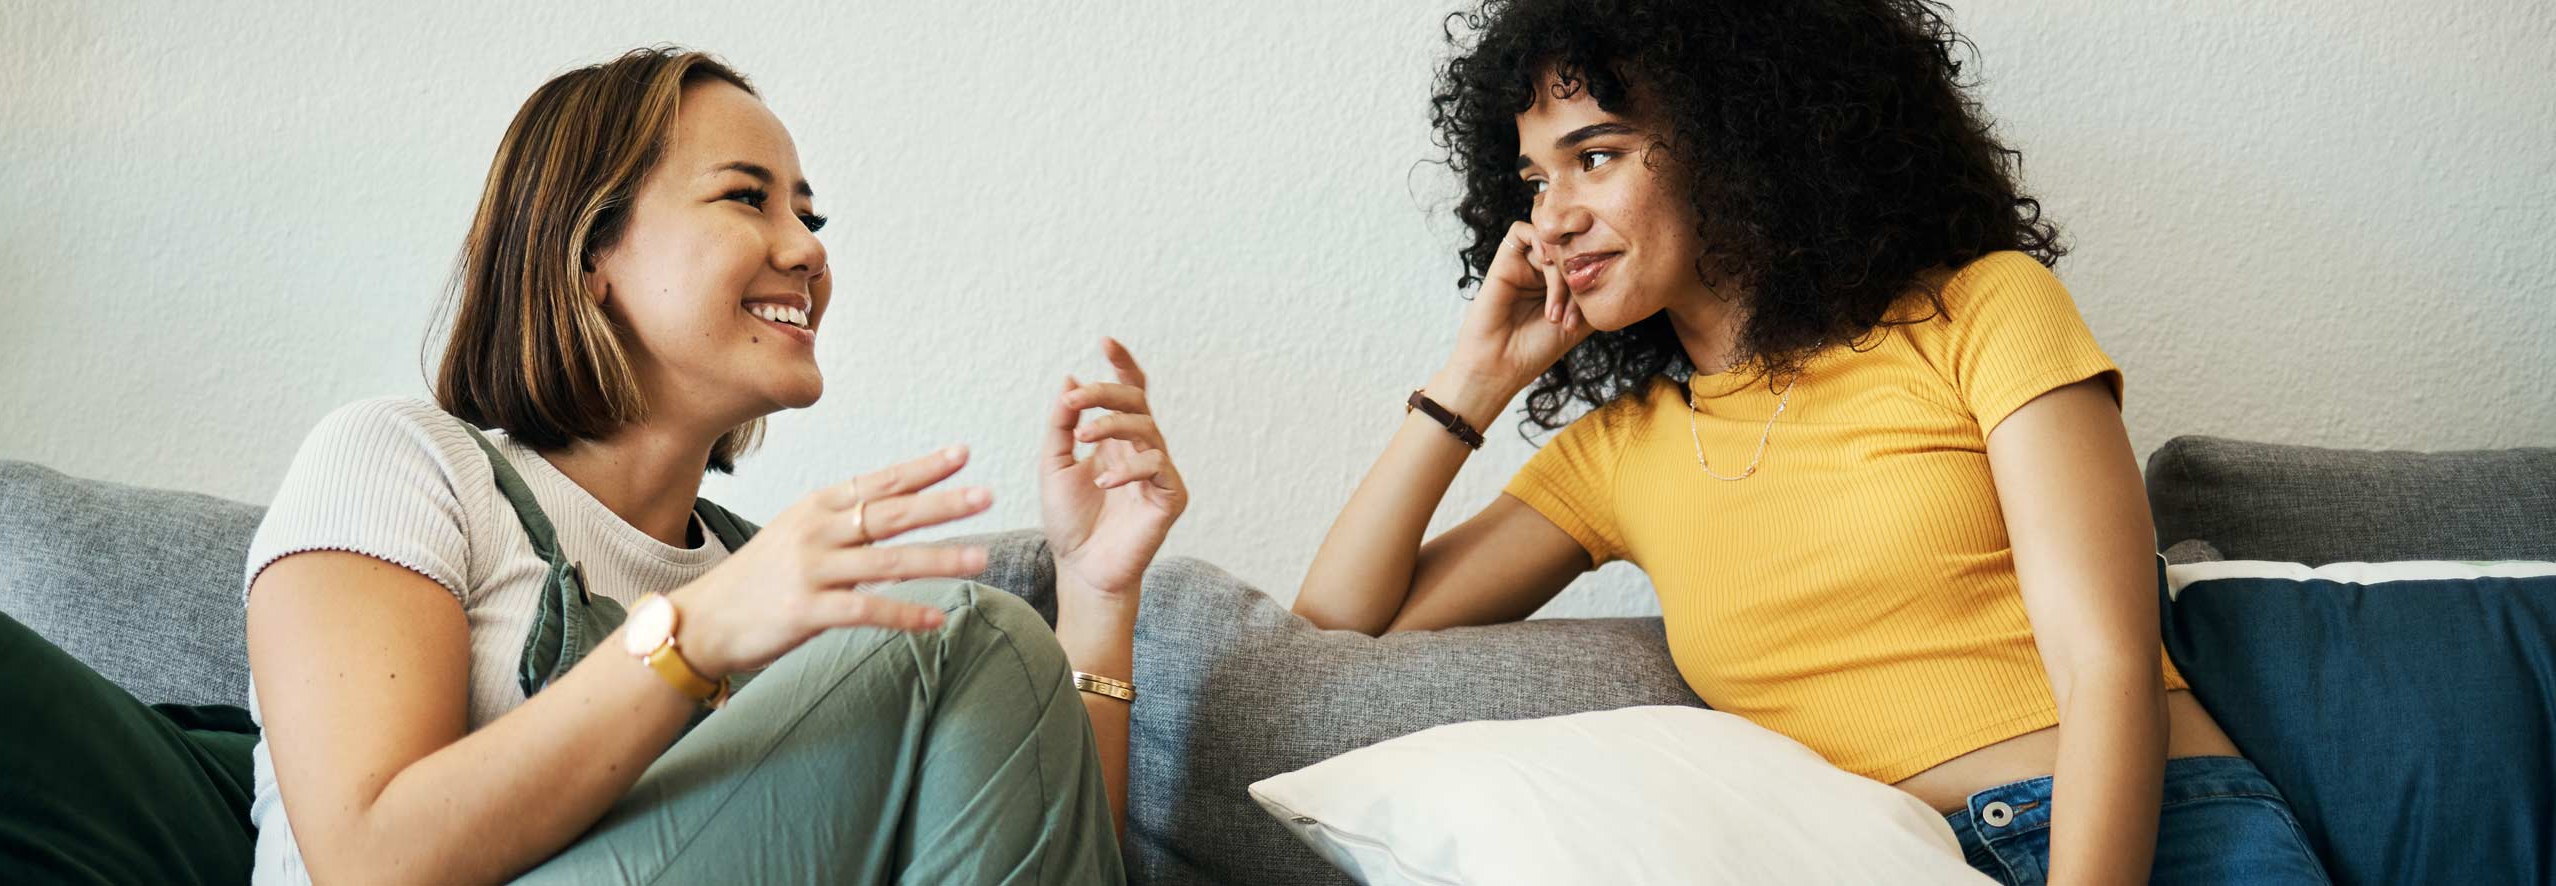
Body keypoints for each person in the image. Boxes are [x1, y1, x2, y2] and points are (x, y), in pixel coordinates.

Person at [1290, 2, 2328, 882]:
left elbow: (2106, 666)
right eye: (1532, 180)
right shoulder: (1621, 451)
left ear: (1739, 139)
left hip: (2160, 836)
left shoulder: (1981, 312)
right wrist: (1473, 381)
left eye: (1594, 156)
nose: (1551, 218)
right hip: (1893, 857)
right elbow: (1335, 626)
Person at [242, 47, 1187, 885]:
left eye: (810, 215)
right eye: (747, 197)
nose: (809, 249)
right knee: (969, 630)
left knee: (989, 643)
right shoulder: (403, 463)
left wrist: (1097, 596)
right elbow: (367, 861)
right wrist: (696, 636)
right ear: (590, 252)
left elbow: (1033, 839)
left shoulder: (766, 582)